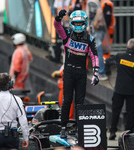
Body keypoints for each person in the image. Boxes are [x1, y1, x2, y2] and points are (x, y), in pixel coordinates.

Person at [54, 9, 99, 138]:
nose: (78, 25)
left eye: (80, 23)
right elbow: (57, 26)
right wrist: (59, 17)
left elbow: (94, 56)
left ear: (84, 23)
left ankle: (79, 128)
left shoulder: (90, 39)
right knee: (67, 100)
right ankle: (63, 127)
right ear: (72, 23)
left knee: (80, 101)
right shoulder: (66, 35)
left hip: (81, 72)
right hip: (68, 71)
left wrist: (96, 73)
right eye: (76, 23)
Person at [106, 38, 134, 140]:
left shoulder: (120, 56)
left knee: (116, 111)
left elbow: (107, 61)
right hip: (131, 90)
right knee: (131, 112)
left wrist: (107, 72)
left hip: (119, 89)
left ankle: (113, 131)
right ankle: (128, 133)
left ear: (127, 47)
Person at [0, 73, 29, 149]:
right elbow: (23, 120)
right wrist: (26, 137)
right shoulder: (17, 99)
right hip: (12, 135)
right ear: (10, 84)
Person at [87, 0, 107, 80]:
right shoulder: (92, 2)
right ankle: (99, 72)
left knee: (97, 52)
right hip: (97, 31)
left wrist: (94, 25)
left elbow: (98, 12)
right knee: (96, 51)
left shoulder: (92, 2)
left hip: (97, 31)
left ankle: (101, 73)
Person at [100, 0, 116, 75]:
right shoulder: (106, 3)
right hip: (106, 30)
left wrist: (103, 29)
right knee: (105, 51)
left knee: (105, 51)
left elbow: (107, 18)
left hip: (106, 31)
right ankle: (105, 67)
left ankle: (106, 68)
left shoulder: (106, 4)